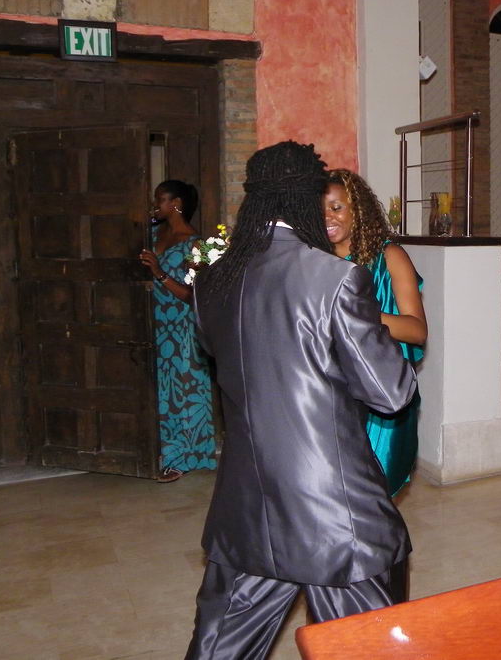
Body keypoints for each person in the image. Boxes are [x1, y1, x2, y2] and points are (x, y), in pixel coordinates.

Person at [186, 141, 417, 660]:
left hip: (248, 505)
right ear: (308, 199)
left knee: (220, 648)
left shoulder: (211, 279)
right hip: (332, 509)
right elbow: (391, 393)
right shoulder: (335, 278)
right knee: (364, 647)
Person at [325, 169, 427, 496]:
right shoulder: (313, 261)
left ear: (357, 209)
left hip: (382, 393)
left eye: (337, 207)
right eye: (320, 209)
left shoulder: (389, 256)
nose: (328, 217)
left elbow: (417, 331)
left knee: (376, 491)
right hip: (332, 395)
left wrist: (360, 315)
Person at [139, 180, 217, 482]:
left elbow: (193, 295)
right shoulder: (153, 234)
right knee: (159, 390)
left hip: (181, 327)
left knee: (183, 391)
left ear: (176, 204)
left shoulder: (199, 245)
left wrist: (159, 273)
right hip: (153, 323)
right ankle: (162, 451)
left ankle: (183, 457)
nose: (154, 205)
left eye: (160, 199)